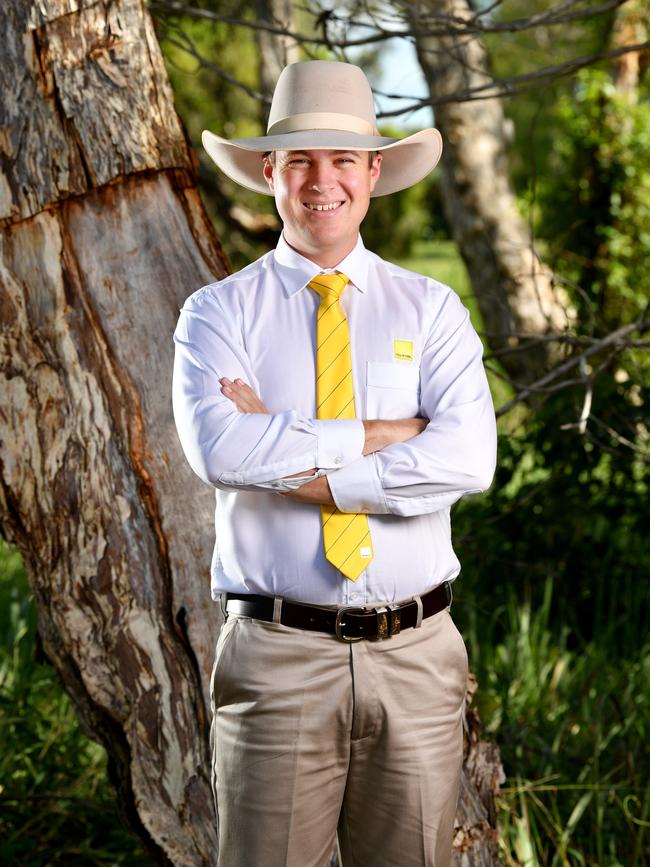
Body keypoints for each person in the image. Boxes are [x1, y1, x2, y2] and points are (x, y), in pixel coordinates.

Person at [173, 60, 496, 867]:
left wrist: (287, 446)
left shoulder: (432, 310)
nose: (323, 180)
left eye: (342, 159)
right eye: (302, 160)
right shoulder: (217, 314)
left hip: (417, 656)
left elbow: (468, 456)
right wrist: (385, 433)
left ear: (373, 171)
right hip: (277, 658)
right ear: (271, 173)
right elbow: (220, 450)